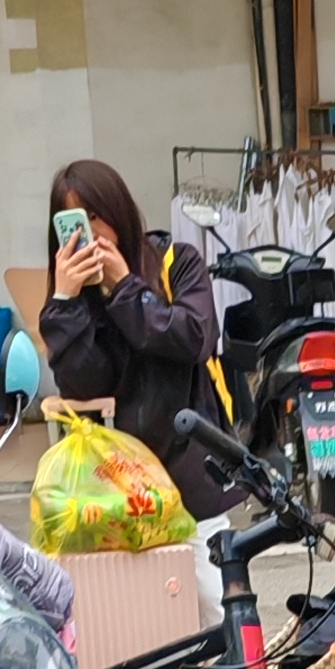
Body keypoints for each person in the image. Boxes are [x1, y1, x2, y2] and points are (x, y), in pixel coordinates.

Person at [37, 160, 231, 520]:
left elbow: (193, 338)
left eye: (95, 216)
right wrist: (65, 303)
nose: (89, 233)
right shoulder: (73, 301)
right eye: (73, 222)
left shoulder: (177, 262)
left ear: (118, 209)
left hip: (192, 479)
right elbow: (83, 387)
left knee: (209, 575)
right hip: (117, 489)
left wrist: (125, 288)